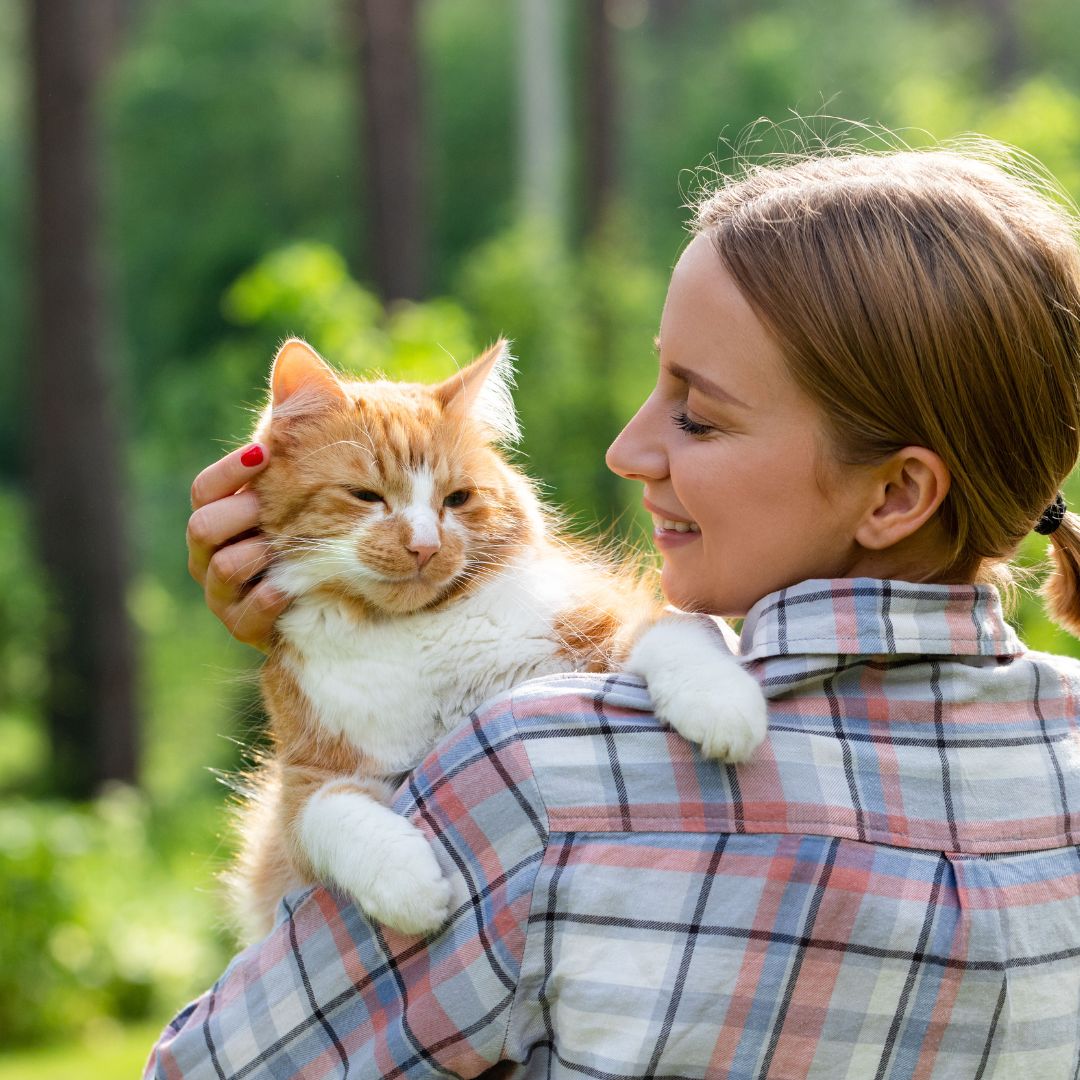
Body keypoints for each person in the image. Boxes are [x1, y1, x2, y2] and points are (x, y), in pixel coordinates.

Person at [147, 141, 1080, 1079]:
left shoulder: (545, 778)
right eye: (656, 383)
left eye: (698, 416)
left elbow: (209, 1067)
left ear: (894, 496)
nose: (625, 448)